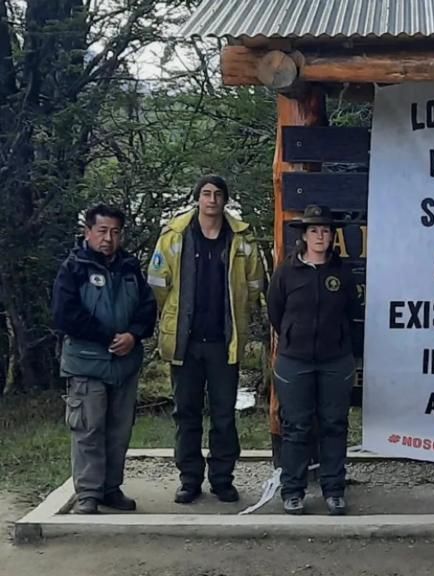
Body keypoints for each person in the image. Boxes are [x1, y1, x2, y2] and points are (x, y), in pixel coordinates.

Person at [148, 175, 265, 505]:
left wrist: (248, 315)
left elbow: (255, 285)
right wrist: (166, 322)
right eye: (206, 194)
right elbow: (157, 284)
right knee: (186, 413)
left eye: (218, 194)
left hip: (223, 342)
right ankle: (189, 480)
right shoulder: (175, 236)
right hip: (184, 342)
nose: (212, 199)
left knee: (224, 414)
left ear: (226, 200)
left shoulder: (241, 238)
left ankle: (222, 479)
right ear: (197, 198)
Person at [53, 204, 157, 514]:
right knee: (88, 430)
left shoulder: (130, 268)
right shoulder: (73, 268)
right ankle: (88, 494)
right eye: (102, 231)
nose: (108, 238)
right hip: (87, 363)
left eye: (114, 232)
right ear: (88, 232)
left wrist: (134, 335)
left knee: (118, 431)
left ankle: (111, 488)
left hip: (124, 364)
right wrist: (107, 337)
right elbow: (65, 314)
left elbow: (147, 308)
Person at [267, 205, 359, 516]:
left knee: (335, 425)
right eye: (314, 230)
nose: (321, 236)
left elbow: (352, 312)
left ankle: (334, 490)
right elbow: (275, 313)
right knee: (296, 427)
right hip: (295, 361)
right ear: (304, 236)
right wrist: (295, 338)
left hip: (335, 361)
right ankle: (293, 491)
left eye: (326, 231)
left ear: (332, 236)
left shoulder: (342, 273)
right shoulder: (286, 272)